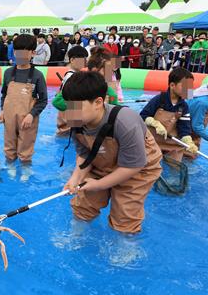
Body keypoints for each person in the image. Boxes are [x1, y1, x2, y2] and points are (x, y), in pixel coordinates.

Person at [62, 71, 162, 234]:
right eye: (68, 106)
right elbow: (85, 154)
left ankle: (125, 246)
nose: (70, 112)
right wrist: (75, 178)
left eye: (76, 106)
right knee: (83, 204)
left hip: (138, 169)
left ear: (98, 102)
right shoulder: (76, 120)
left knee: (125, 214)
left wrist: (99, 184)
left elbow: (133, 167)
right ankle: (77, 233)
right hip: (101, 160)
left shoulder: (125, 121)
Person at [0, 34, 48, 182]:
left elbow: (43, 100)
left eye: (24, 52)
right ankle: (11, 166)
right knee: (9, 143)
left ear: (33, 53)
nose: (19, 55)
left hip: (27, 119)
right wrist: (2, 110)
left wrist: (32, 114)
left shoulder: (37, 75)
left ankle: (26, 168)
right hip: (9, 117)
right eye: (17, 51)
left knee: (26, 146)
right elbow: (4, 94)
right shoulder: (8, 73)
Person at [140, 67, 197, 162]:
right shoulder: (159, 99)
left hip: (171, 142)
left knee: (177, 166)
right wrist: (154, 123)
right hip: (152, 140)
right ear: (172, 85)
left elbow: (184, 129)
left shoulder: (184, 106)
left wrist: (188, 141)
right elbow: (142, 116)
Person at [52, 46, 89, 136]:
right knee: (70, 135)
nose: (85, 62)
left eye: (86, 59)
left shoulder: (70, 75)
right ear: (72, 60)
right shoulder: (72, 77)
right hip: (70, 113)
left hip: (66, 113)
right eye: (83, 59)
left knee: (64, 133)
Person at [185, 75, 208, 158]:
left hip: (187, 129)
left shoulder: (202, 90)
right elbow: (196, 126)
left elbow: (187, 96)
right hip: (190, 135)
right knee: (190, 157)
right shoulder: (203, 102)